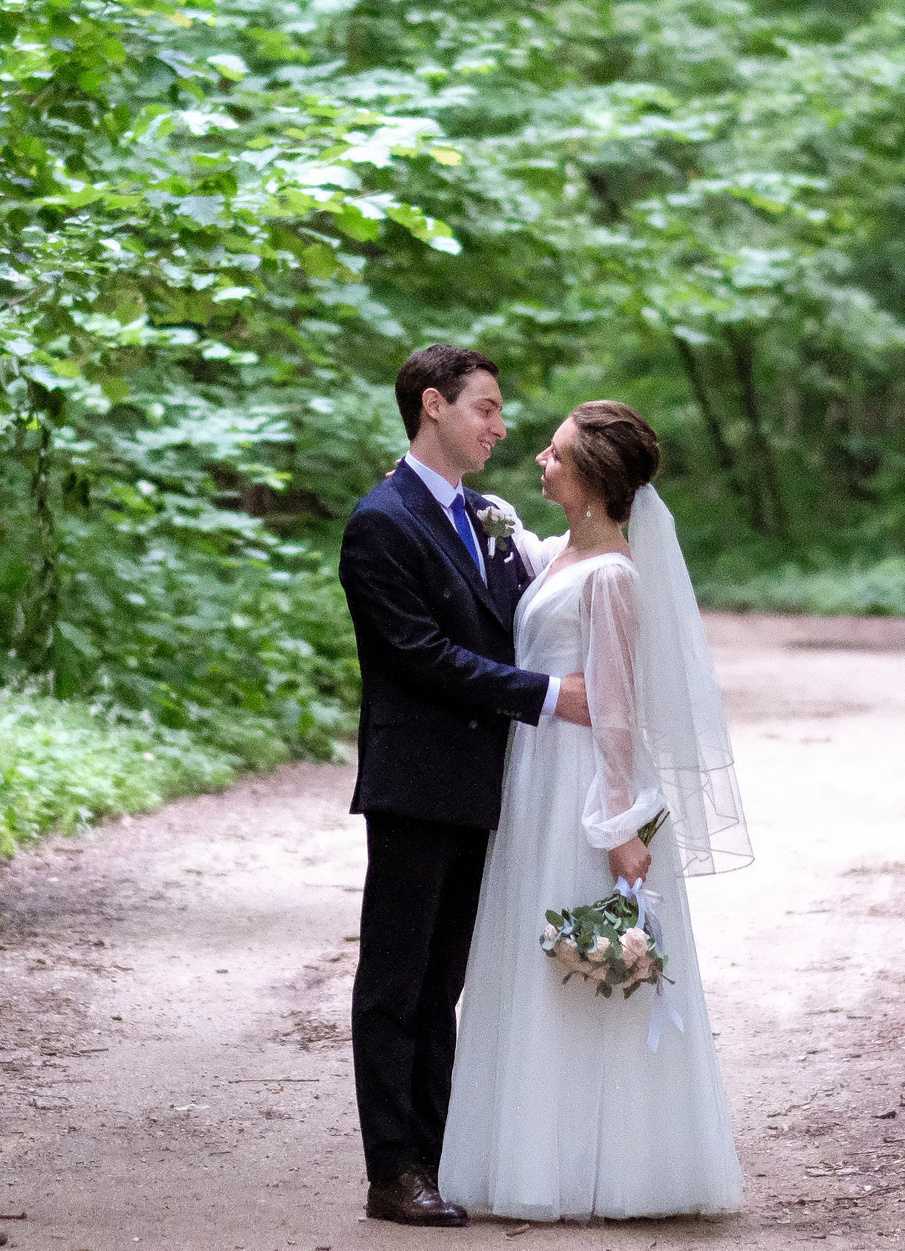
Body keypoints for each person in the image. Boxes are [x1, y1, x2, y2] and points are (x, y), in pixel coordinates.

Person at [439, 400, 750, 1221]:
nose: (539, 456)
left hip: (579, 787)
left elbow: (616, 709)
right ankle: (534, 1150)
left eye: (556, 452)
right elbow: (533, 568)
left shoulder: (612, 575)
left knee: (582, 962)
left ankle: (599, 1166)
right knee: (537, 962)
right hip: (534, 776)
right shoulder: (564, 555)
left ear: (589, 482)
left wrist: (621, 827)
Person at [336, 345, 596, 1228]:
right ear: (433, 405)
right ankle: (393, 1169)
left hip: (491, 783)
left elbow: (535, 605)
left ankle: (442, 1153)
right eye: (485, 408)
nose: (500, 425)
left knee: (450, 978)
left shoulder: (488, 514)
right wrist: (549, 697)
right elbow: (419, 655)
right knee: (397, 983)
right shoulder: (382, 521)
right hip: (416, 781)